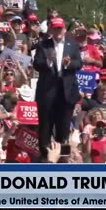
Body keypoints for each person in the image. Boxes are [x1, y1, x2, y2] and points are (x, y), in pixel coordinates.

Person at [33, 17, 82, 160]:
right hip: (47, 92)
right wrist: (48, 61)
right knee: (45, 127)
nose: (58, 31)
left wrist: (68, 64)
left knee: (64, 127)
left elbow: (79, 64)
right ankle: (45, 158)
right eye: (55, 28)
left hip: (66, 92)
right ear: (50, 30)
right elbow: (37, 64)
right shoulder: (43, 45)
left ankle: (63, 159)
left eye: (60, 28)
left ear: (64, 30)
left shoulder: (72, 45)